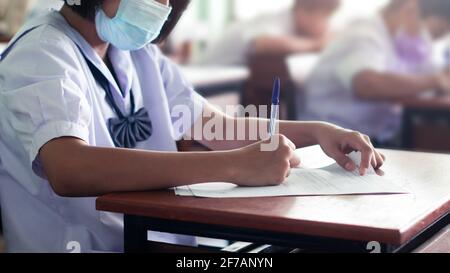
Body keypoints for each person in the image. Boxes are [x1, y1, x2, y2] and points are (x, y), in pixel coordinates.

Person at [0, 0, 384, 252]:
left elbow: (214, 127)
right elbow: (69, 168)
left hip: (153, 242)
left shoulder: (138, 55)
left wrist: (317, 132)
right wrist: (232, 166)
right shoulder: (43, 51)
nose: (161, 6)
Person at [300, 0, 450, 146]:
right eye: (435, 32)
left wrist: (438, 78)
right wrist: (435, 81)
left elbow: (425, 73)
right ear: (410, 9)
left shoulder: (396, 41)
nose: (428, 40)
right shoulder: (363, 35)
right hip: (333, 142)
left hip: (370, 138)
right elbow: (366, 84)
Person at [196, 0, 340, 66]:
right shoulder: (276, 21)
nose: (327, 25)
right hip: (205, 77)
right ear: (304, 12)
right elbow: (261, 43)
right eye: (325, 17)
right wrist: (317, 44)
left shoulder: (294, 28)